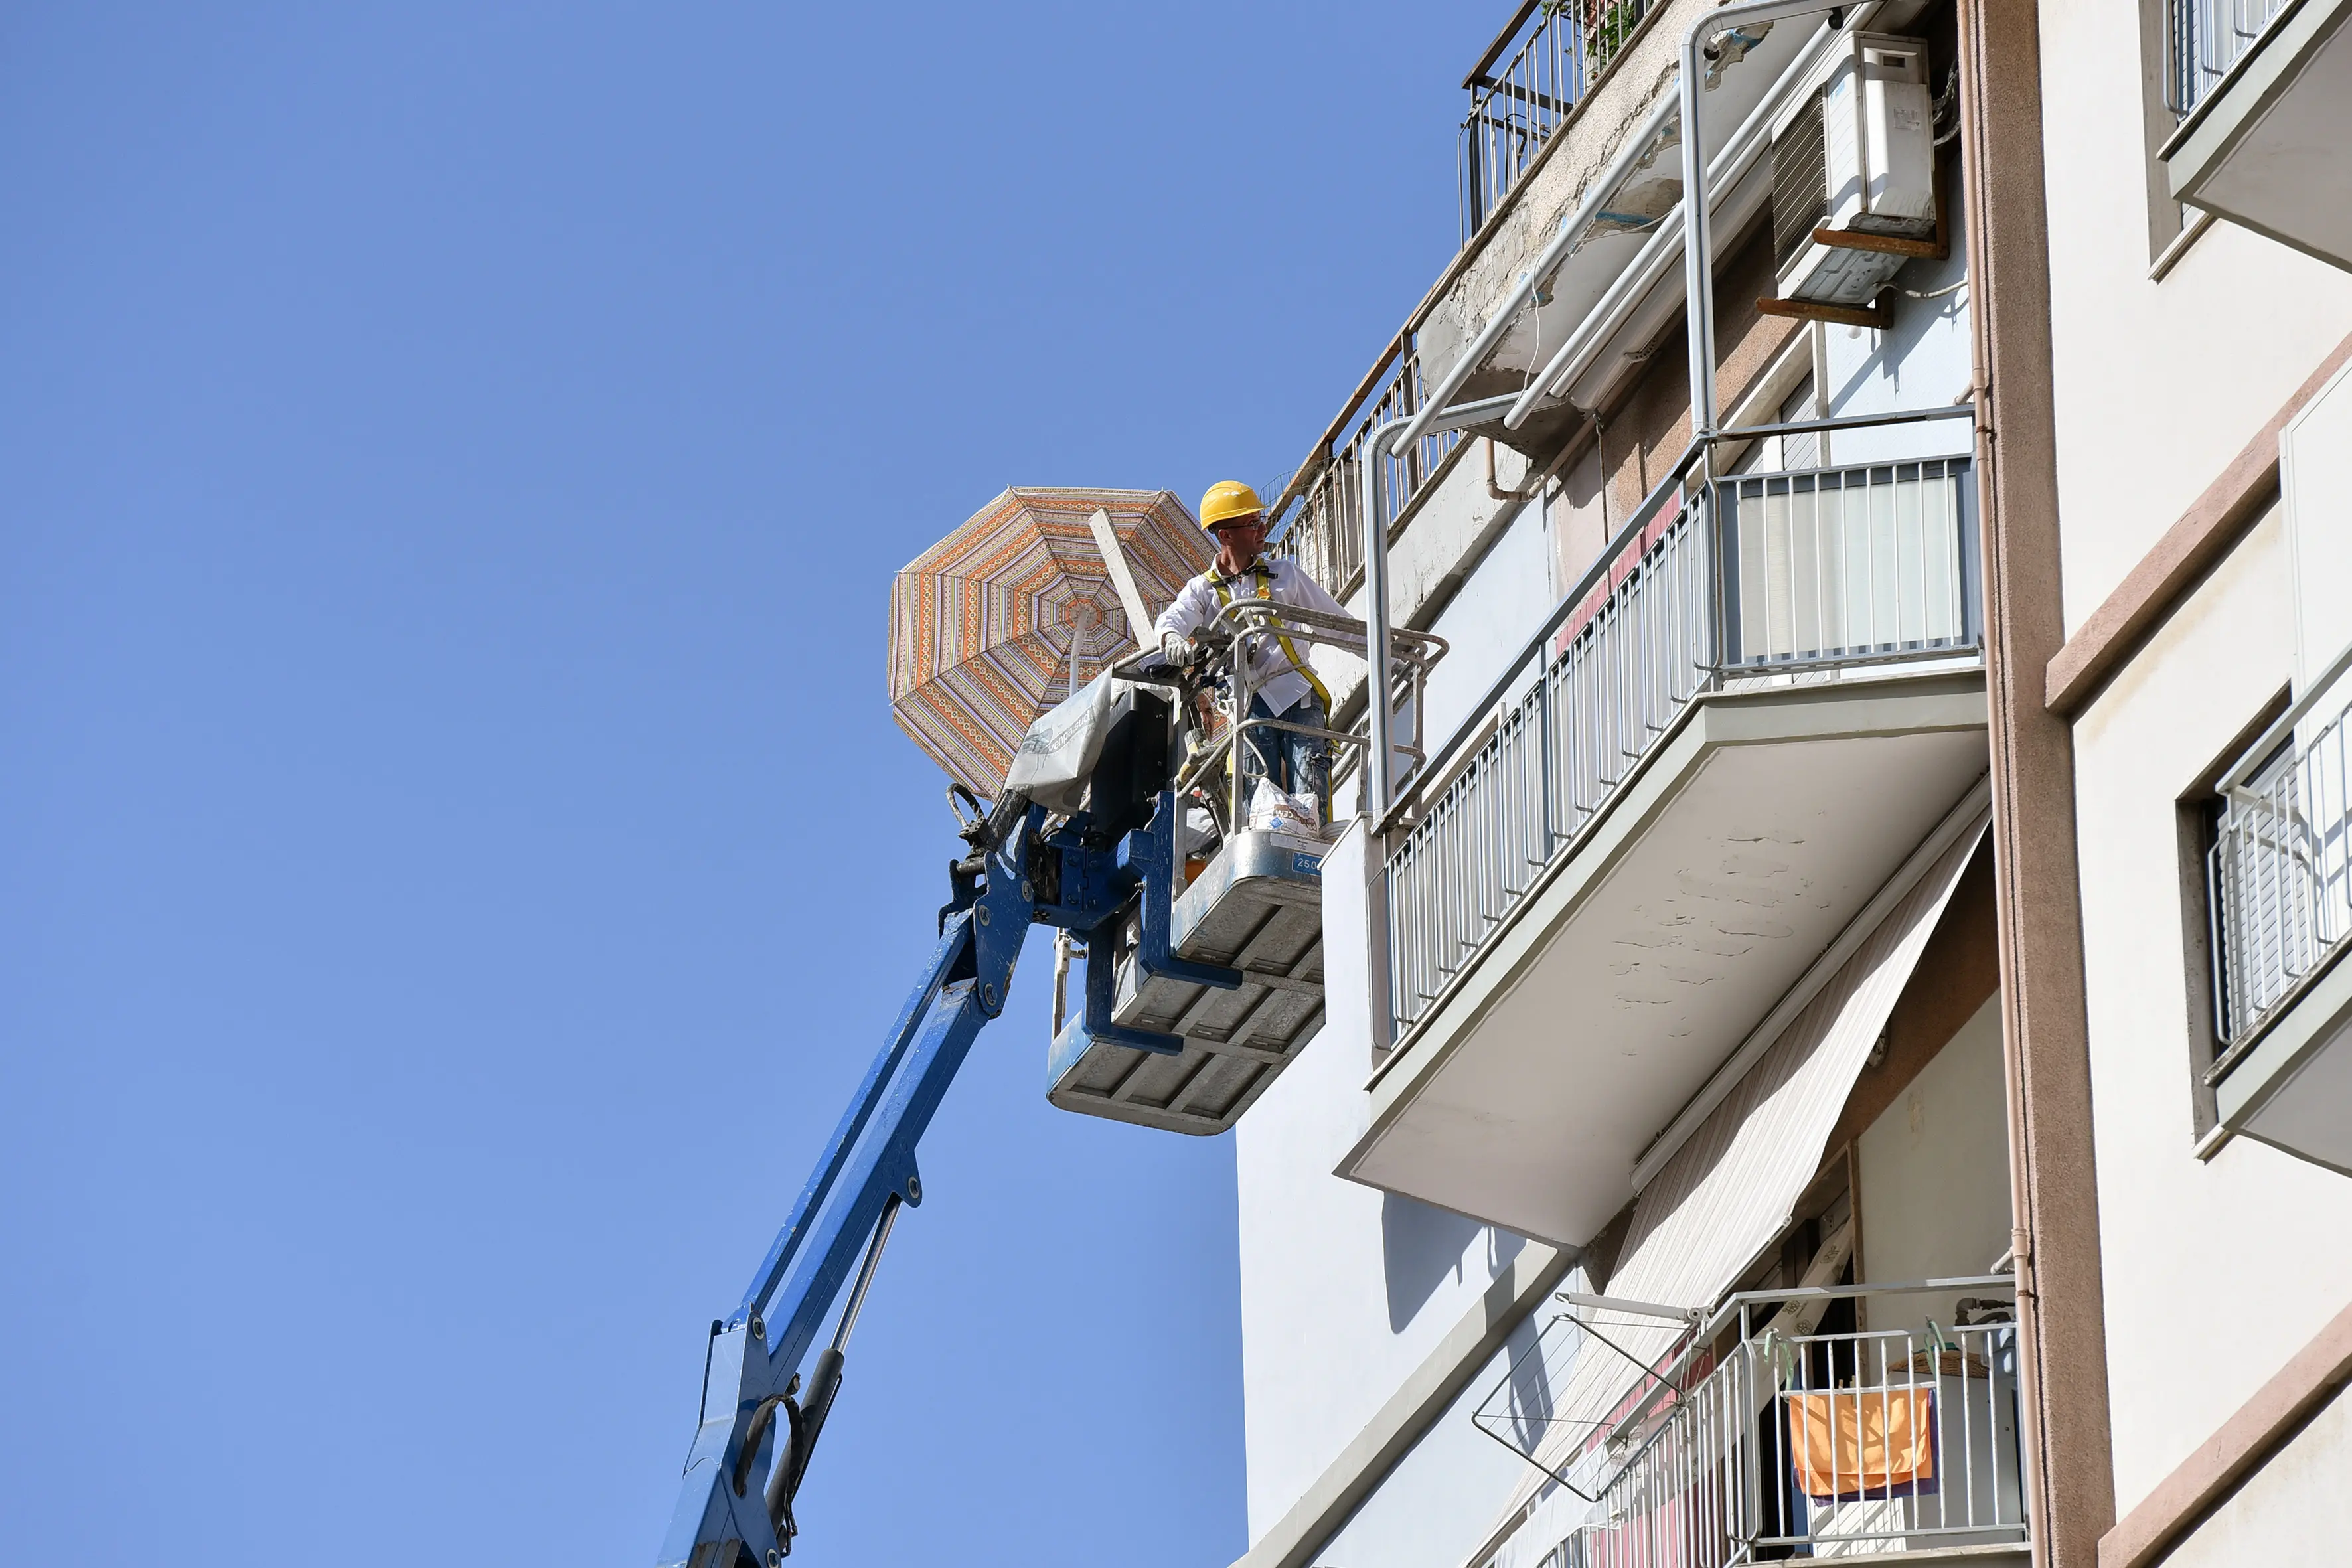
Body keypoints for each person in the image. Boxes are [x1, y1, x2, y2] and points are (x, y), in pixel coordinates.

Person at [1156, 479, 1348, 817]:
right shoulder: (1203, 590)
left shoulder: (1284, 574)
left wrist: (1386, 655)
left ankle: (1313, 853)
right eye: (1252, 523)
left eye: (1260, 521)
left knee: (1310, 799)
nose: (1262, 529)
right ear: (1226, 535)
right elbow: (1173, 620)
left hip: (1297, 695)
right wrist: (1172, 641)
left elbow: (1337, 624)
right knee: (1259, 806)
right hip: (1249, 708)